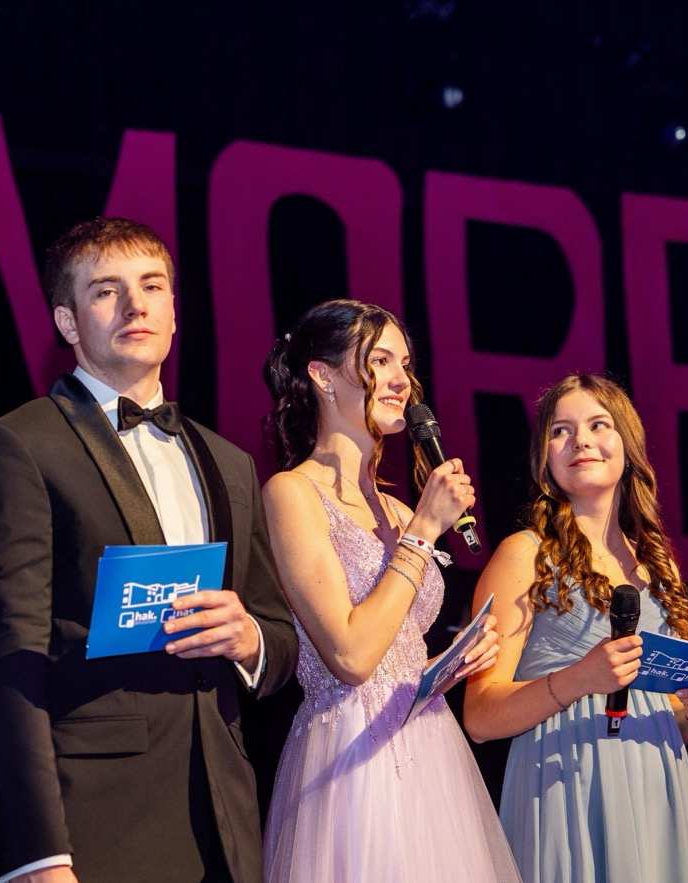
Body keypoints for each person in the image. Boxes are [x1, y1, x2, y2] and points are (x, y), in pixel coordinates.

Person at [0, 217, 298, 883]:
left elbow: (280, 638)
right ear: (67, 321)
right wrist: (39, 854)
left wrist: (249, 637)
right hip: (94, 822)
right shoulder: (19, 447)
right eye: (107, 290)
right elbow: (9, 660)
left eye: (152, 286)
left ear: (174, 311)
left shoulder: (228, 461)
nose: (135, 305)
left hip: (224, 821)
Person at [258, 299, 521, 883]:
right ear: (322, 375)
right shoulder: (293, 494)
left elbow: (393, 655)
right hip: (349, 758)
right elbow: (351, 657)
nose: (402, 380)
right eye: (380, 361)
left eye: (405, 363)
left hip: (430, 750)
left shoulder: (400, 509)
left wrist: (446, 667)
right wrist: (424, 533)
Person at [463, 373, 688, 883]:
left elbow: (664, 714)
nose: (580, 440)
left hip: (657, 790)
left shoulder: (660, 568)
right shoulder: (524, 555)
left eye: (597, 425)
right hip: (565, 785)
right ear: (544, 456)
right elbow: (479, 716)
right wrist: (580, 678)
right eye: (560, 430)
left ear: (627, 444)